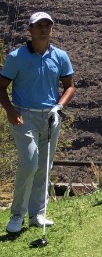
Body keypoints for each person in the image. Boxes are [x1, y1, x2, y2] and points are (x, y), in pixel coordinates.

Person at [1, 12, 76, 234]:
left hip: (51, 117)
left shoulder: (60, 56)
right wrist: (10, 110)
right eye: (38, 25)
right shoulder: (17, 57)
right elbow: (1, 87)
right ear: (30, 30)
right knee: (30, 163)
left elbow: (70, 86)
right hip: (24, 115)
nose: (43, 29)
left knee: (44, 166)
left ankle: (38, 214)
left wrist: (58, 107)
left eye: (47, 25)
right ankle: (17, 215)